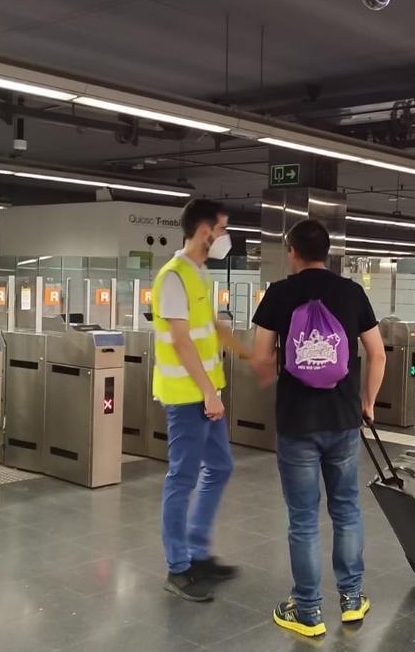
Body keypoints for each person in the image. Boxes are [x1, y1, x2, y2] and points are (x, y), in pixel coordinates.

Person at [250, 218, 386, 637]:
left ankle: (308, 610)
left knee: (303, 519)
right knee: (346, 509)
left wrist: (280, 376)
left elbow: (261, 356)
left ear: (292, 251)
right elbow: (377, 354)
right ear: (327, 253)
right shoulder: (352, 292)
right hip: (344, 419)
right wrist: (367, 402)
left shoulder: (278, 293)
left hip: (296, 423)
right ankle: (351, 599)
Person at [153, 198, 248, 602]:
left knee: (221, 466)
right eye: (222, 228)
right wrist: (208, 392)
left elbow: (210, 325)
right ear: (205, 229)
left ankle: (197, 551)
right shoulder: (173, 276)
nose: (225, 236)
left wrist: (247, 352)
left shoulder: (199, 274)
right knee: (182, 478)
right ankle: (178, 567)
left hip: (206, 396)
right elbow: (180, 339)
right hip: (186, 396)